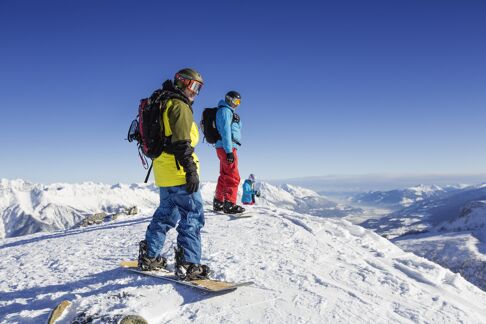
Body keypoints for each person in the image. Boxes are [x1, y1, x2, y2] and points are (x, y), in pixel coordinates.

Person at [138, 68, 209, 281]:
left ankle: (150, 256)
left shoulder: (161, 102)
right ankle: (189, 264)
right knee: (192, 216)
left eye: (199, 88)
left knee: (166, 214)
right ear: (181, 83)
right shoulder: (178, 106)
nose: (196, 92)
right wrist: (191, 172)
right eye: (194, 86)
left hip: (163, 172)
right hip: (179, 172)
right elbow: (181, 143)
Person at [212, 91, 246, 214]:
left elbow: (235, 128)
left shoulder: (228, 112)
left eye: (239, 102)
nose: (237, 104)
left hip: (224, 147)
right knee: (233, 176)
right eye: (236, 101)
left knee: (224, 175)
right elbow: (226, 131)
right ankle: (229, 204)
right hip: (227, 147)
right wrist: (229, 151)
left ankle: (218, 202)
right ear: (229, 99)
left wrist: (238, 120)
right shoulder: (225, 111)